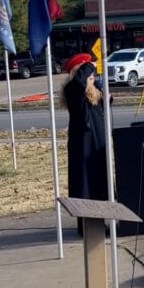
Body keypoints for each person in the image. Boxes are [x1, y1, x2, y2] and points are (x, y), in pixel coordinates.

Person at [62, 53, 108, 232]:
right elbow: (79, 82)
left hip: (97, 145)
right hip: (82, 145)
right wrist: (90, 64)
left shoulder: (94, 92)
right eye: (88, 73)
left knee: (98, 183)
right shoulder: (73, 90)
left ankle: (100, 222)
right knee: (84, 185)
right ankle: (87, 227)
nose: (92, 76)